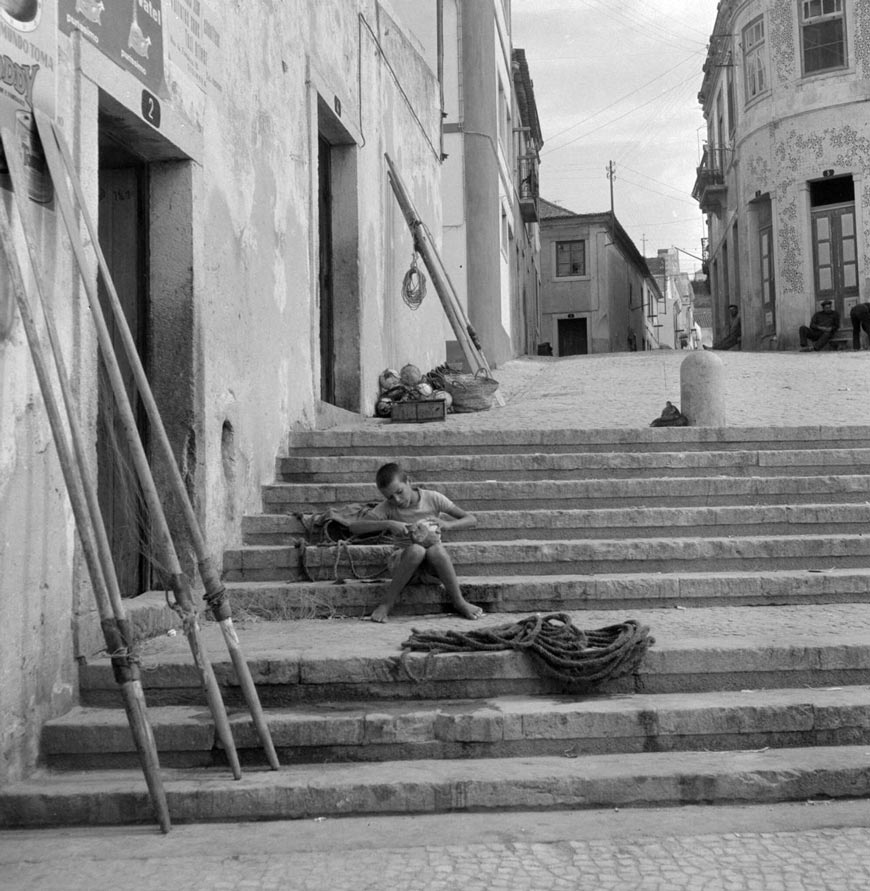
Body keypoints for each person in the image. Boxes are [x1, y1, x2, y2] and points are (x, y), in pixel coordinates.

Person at [347, 462, 483, 623]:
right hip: (404, 564)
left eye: (399, 492)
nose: (396, 500)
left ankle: (459, 602)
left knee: (436, 549)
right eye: (390, 497)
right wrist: (389, 523)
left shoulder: (432, 498)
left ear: (408, 482)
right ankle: (386, 604)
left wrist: (447, 524)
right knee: (417, 550)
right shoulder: (387, 507)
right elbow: (354, 527)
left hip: (433, 568)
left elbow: (471, 519)